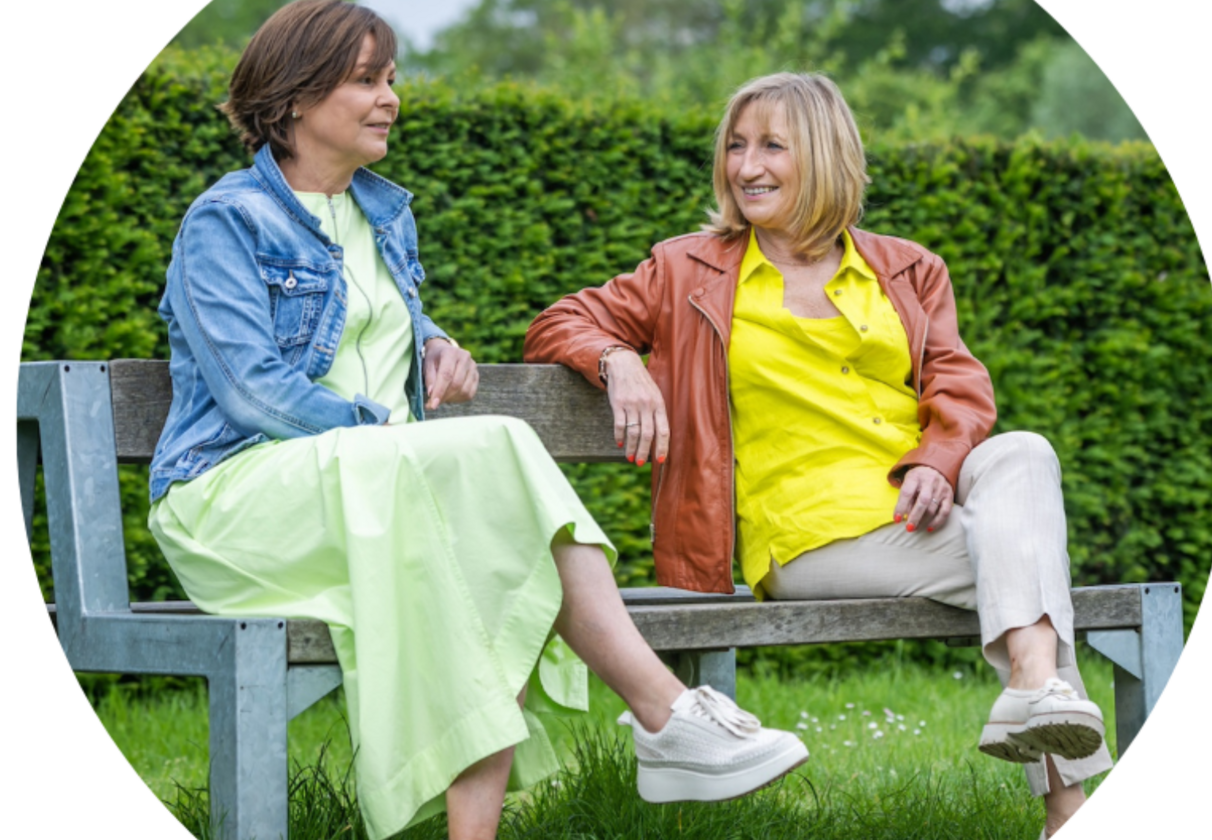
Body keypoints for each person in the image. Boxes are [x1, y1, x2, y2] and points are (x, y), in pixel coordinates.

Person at [145, 5, 807, 839]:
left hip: (377, 485)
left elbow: (366, 318)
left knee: (489, 559)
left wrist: (432, 339)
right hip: (234, 500)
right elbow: (251, 389)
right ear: (295, 97)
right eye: (365, 80)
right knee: (494, 453)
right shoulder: (225, 221)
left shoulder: (383, 216)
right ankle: (664, 711)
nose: (390, 98)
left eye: (390, 79)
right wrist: (385, 429)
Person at [524, 72, 1113, 839]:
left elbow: (960, 386)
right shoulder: (688, 269)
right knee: (1028, 565)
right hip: (812, 536)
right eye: (736, 146)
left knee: (1023, 452)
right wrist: (618, 360)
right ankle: (1063, 801)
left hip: (922, 507)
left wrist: (937, 461)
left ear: (827, 156)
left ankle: (1036, 694)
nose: (746, 165)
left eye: (773, 145)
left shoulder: (906, 269)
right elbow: (560, 321)